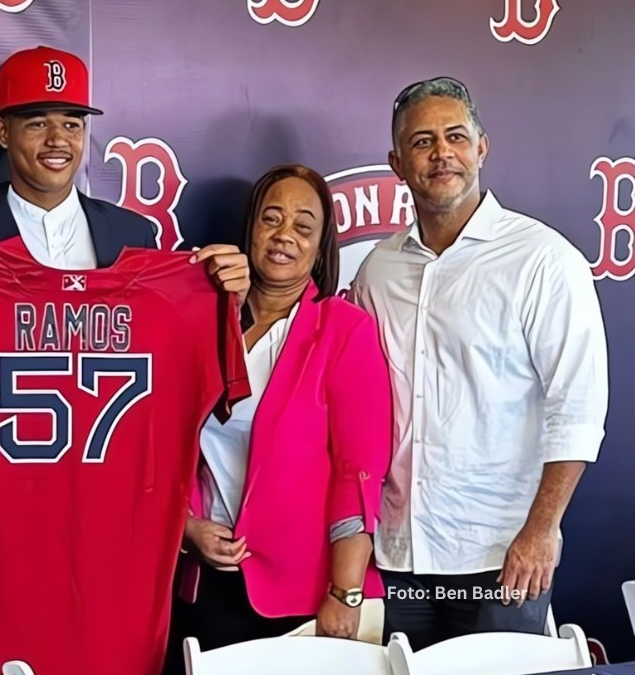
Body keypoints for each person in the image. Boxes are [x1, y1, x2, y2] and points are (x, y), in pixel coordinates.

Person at [351, 77, 609, 649]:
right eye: (421, 142)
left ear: (482, 148)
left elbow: (579, 408)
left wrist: (541, 530)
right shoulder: (378, 270)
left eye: (455, 136)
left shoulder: (543, 260)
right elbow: (362, 405)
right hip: (399, 554)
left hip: (501, 556)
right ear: (397, 163)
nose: (441, 153)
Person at [165, 165, 392, 670]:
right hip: (205, 584)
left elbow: (358, 474)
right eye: (271, 218)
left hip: (301, 597)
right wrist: (187, 529)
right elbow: (162, 447)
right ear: (250, 229)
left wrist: (345, 593)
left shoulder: (343, 331)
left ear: (320, 245)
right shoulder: (202, 323)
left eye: (303, 225)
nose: (284, 234)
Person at [0, 45, 250, 325]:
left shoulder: (134, 233)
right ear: (2, 131)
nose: (58, 140)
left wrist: (225, 307)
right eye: (38, 124)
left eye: (72, 125)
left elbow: (165, 344)